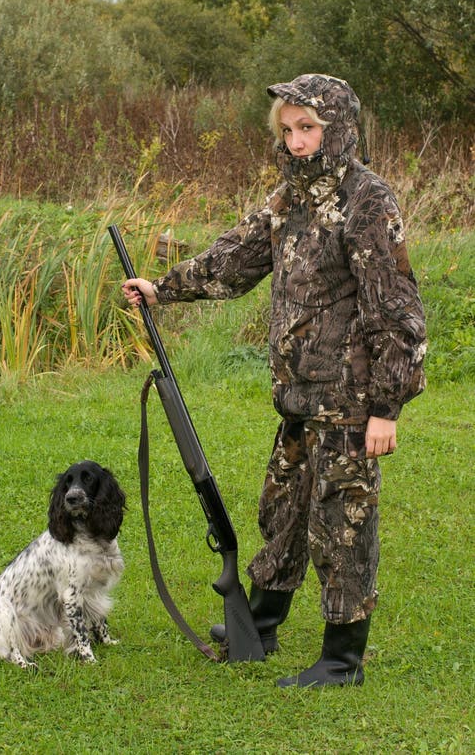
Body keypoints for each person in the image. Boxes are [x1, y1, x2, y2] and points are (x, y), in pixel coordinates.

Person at [122, 74, 426, 688]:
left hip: (350, 401)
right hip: (298, 398)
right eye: (287, 130)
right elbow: (236, 256)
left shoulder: (368, 200)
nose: (295, 141)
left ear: (338, 129)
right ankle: (261, 620)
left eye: (307, 128)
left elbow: (395, 309)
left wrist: (386, 408)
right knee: (282, 512)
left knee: (342, 526)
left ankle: (342, 660)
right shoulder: (288, 198)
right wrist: (164, 288)